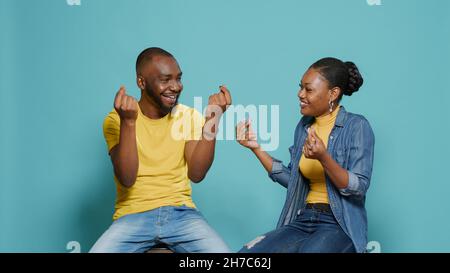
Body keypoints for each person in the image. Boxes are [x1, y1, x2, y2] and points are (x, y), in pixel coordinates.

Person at [90, 47, 231, 253]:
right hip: (133, 216)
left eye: (178, 78)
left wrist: (214, 118)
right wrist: (129, 122)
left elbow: (197, 173)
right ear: (141, 82)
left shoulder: (188, 116)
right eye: (165, 80)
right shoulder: (116, 119)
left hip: (182, 215)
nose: (175, 87)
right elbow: (127, 178)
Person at [236, 57, 375, 253]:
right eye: (301, 87)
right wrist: (256, 148)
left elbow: (358, 187)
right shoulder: (304, 127)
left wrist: (324, 157)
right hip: (303, 219)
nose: (300, 94)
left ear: (333, 93)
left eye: (309, 89)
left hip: (338, 225)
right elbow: (293, 179)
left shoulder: (357, 126)